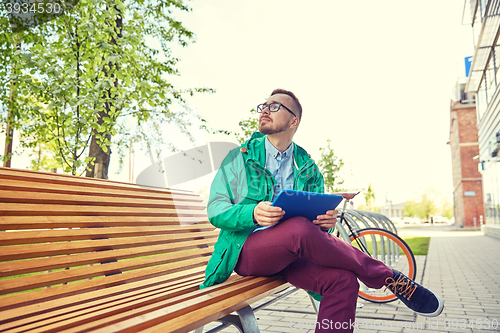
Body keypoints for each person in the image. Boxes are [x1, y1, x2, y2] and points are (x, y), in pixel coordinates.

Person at [200, 89, 443, 332]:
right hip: (247, 251)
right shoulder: (239, 158)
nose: (265, 109)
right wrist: (251, 213)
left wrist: (325, 221)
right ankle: (386, 276)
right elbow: (216, 209)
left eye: (275, 106)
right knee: (298, 228)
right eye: (264, 105)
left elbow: (314, 224)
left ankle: (381, 276)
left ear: (294, 121)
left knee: (344, 281)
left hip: (294, 254)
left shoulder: (308, 167)